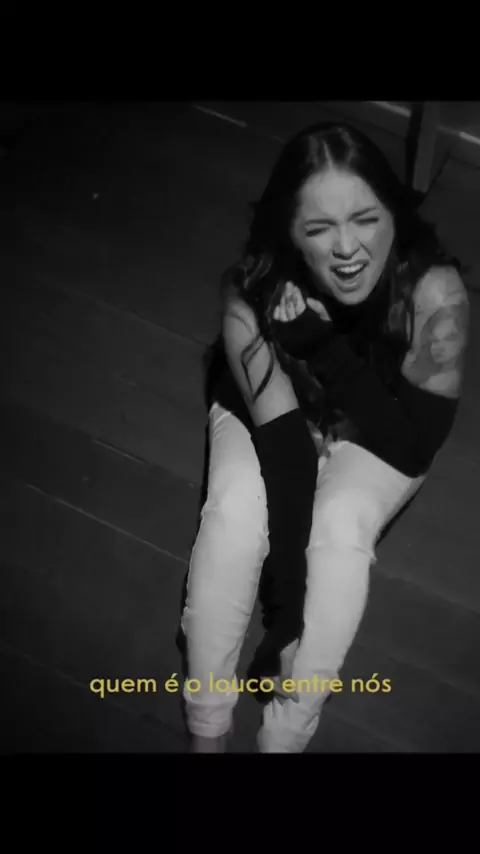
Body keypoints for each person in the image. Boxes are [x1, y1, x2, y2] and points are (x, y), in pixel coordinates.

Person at [180, 121, 470, 753]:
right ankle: (206, 729)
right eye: (318, 228)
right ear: (289, 232)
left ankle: (286, 738)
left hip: (382, 422)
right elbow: (288, 458)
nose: (346, 248)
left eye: (365, 219)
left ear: (394, 212)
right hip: (282, 414)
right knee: (233, 515)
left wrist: (323, 350)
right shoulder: (252, 292)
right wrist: (285, 622)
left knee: (340, 534)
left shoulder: (434, 293)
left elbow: (411, 445)